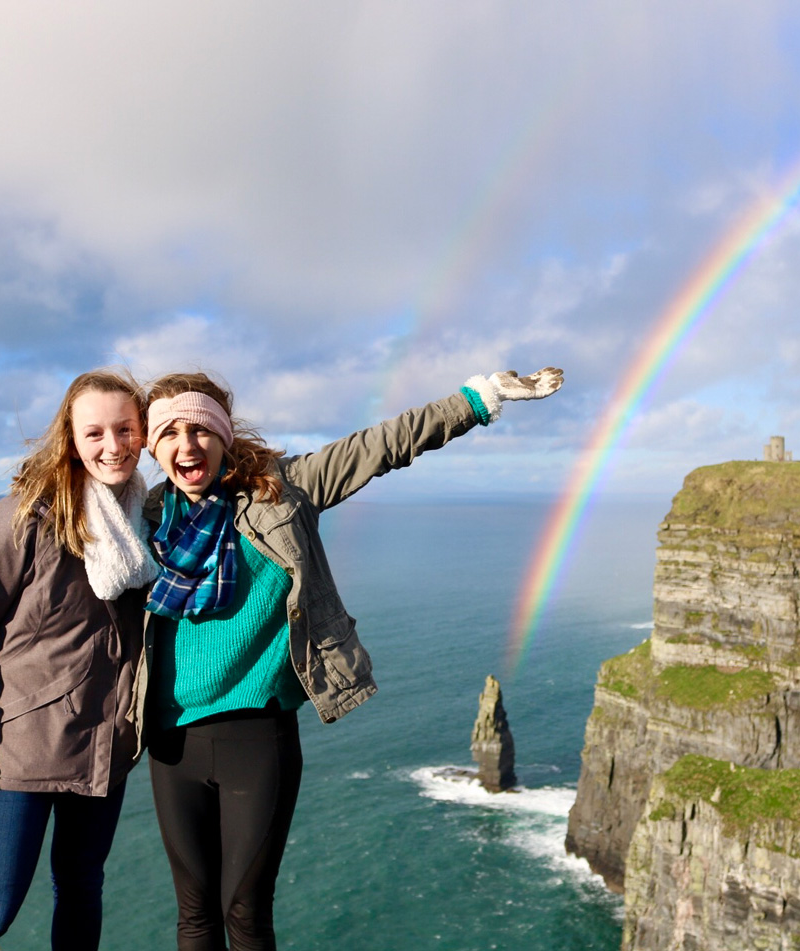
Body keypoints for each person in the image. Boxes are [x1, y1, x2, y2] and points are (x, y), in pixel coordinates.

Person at [141, 366, 563, 950]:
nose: (186, 446)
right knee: (194, 915)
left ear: (224, 437)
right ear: (151, 445)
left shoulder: (282, 490)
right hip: (170, 741)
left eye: (201, 431)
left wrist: (479, 399)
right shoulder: (145, 518)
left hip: (256, 736)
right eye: (168, 433)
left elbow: (383, 445)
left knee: (244, 910)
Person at [0, 368, 158, 951]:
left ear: (144, 433)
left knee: (82, 888)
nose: (113, 446)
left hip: (106, 748)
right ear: (71, 438)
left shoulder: (146, 520)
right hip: (18, 750)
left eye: (126, 429)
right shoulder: (23, 517)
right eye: (96, 433)